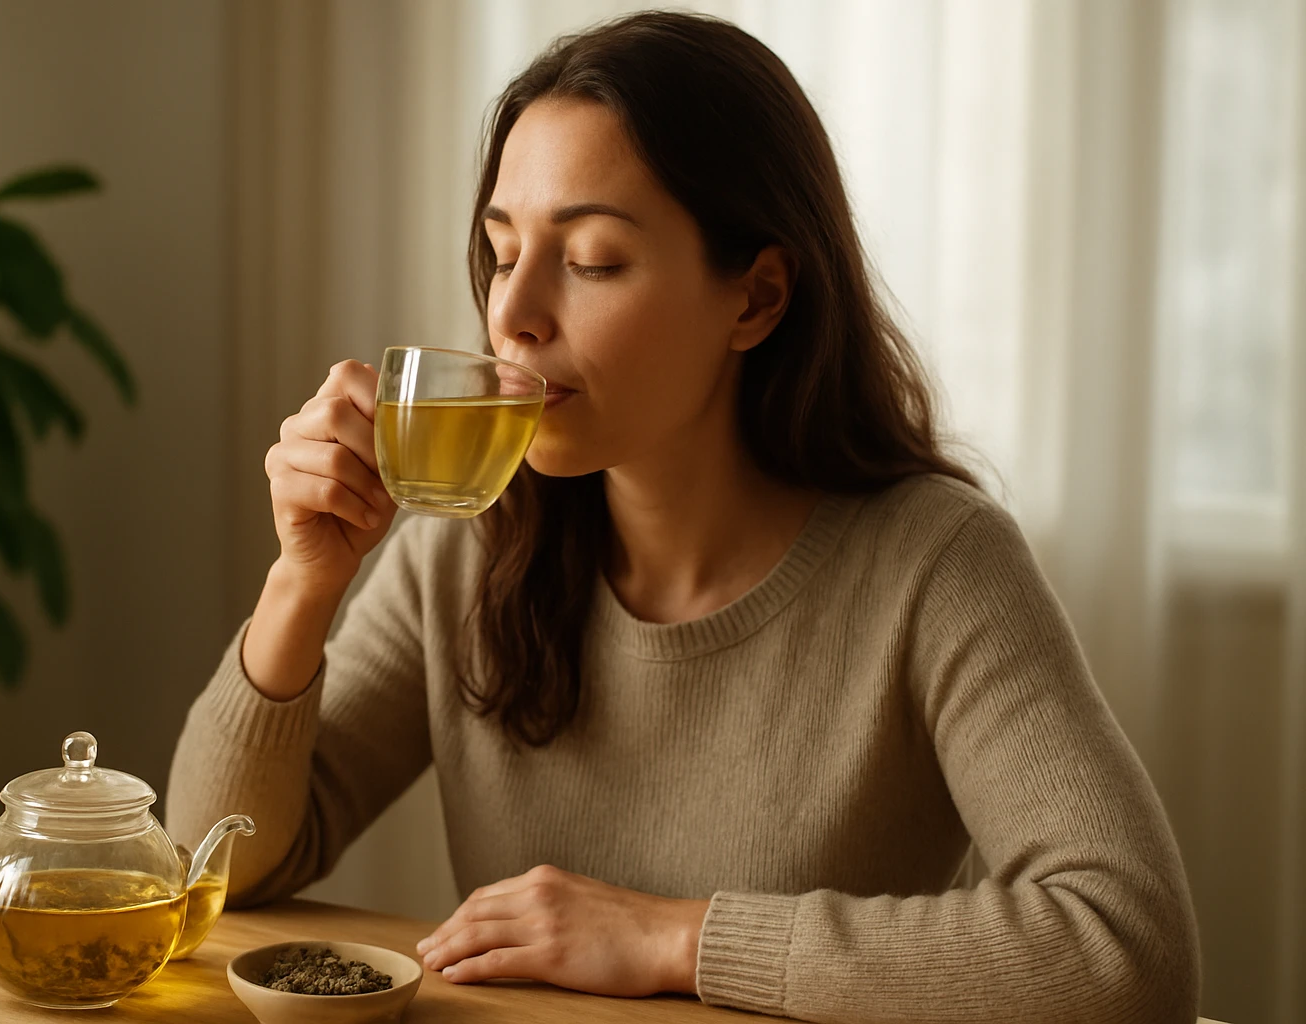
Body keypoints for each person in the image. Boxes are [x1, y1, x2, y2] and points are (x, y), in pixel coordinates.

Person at [168, 10, 1200, 1022]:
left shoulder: (936, 562)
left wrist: (672, 939)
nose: (513, 313)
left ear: (755, 299)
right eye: (501, 249)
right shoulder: (470, 542)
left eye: (592, 261)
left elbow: (1125, 947)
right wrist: (303, 579)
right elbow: (219, 865)